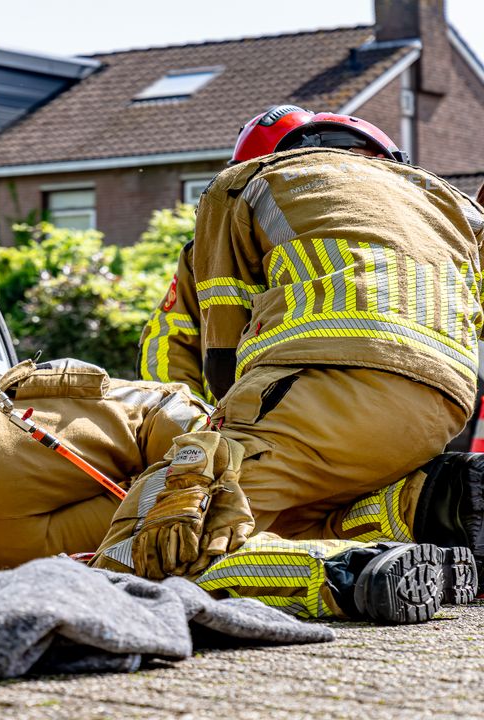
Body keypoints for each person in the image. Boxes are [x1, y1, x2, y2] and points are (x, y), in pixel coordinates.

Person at [92, 106, 484, 620]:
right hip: (443, 406)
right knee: (305, 506)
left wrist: (202, 447)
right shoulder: (446, 204)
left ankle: (348, 576)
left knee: (161, 542)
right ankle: (434, 507)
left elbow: (217, 350)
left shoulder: (244, 185)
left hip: (326, 385)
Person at [0, 357, 475, 623]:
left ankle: (355, 573)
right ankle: (403, 522)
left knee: (179, 553)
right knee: (191, 537)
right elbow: (175, 406)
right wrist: (191, 463)